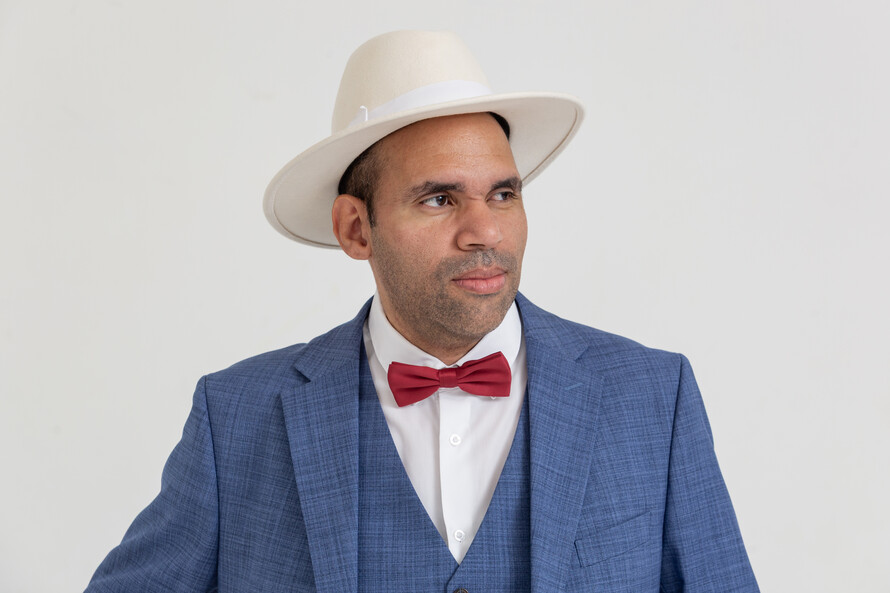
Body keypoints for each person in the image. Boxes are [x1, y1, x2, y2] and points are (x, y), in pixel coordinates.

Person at [86, 30, 759, 593]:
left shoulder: (652, 398)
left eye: (503, 194)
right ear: (356, 229)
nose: (485, 231)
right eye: (439, 199)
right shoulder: (236, 417)